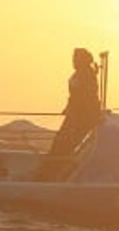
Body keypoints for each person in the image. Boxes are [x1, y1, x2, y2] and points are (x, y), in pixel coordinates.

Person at [36, 48, 103, 180]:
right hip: (74, 117)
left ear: (82, 60)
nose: (73, 61)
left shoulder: (86, 75)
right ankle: (47, 174)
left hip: (79, 120)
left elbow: (84, 98)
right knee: (59, 144)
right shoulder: (81, 74)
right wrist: (68, 108)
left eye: (75, 58)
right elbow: (74, 96)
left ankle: (49, 176)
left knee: (63, 146)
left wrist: (75, 112)